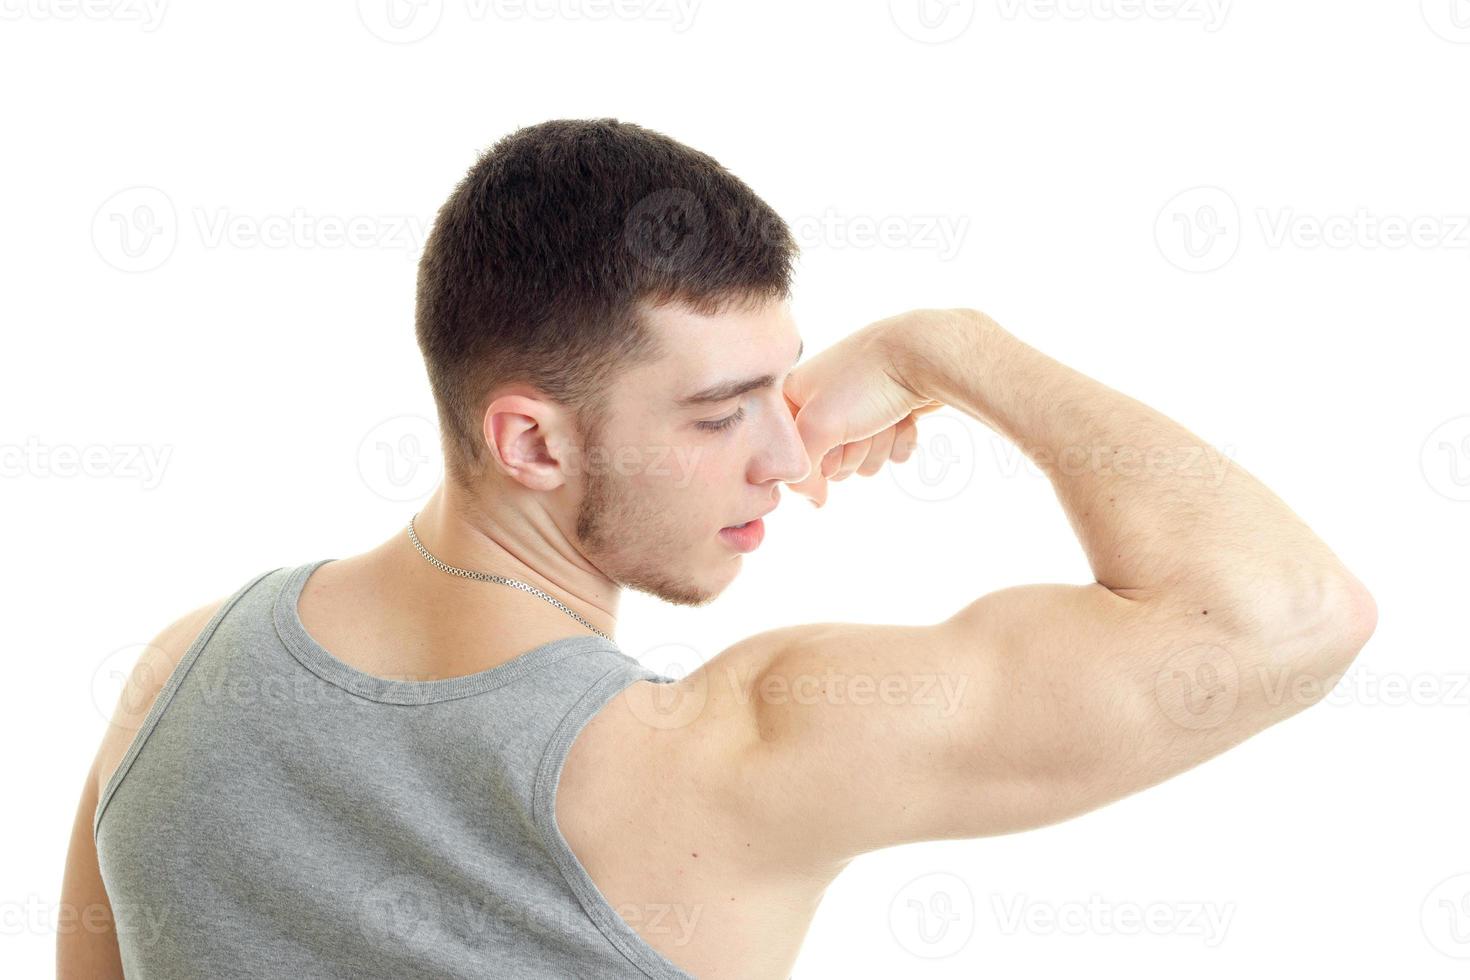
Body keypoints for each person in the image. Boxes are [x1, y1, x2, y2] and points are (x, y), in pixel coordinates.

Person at [58, 119, 1377, 979]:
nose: (789, 456)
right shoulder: (729, 759)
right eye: (715, 413)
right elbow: (1285, 617)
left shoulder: (173, 682)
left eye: (778, 387)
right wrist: (951, 351)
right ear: (530, 444)